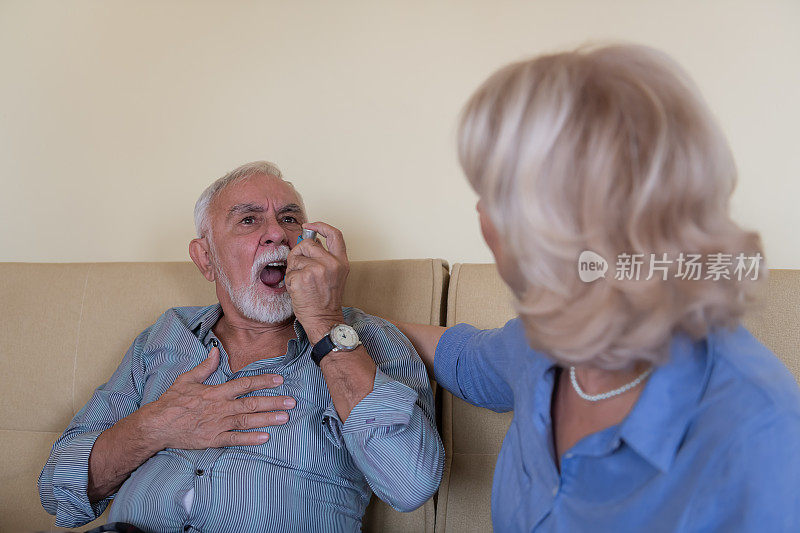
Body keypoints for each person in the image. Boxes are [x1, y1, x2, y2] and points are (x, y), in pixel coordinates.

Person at [394, 45, 800, 531]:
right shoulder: (543, 337)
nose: (480, 216)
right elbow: (470, 360)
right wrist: (344, 322)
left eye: (492, 196)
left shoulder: (759, 437)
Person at [39, 161, 444, 532]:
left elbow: (410, 483)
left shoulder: (365, 341)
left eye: (289, 219)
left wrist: (324, 322)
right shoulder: (165, 336)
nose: (277, 233)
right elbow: (58, 488)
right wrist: (157, 426)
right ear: (206, 259)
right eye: (249, 220)